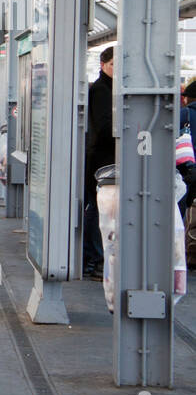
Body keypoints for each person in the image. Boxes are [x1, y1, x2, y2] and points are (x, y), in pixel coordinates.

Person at [83, 46, 114, 280]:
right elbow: (103, 127)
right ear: (103, 65)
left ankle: (92, 259)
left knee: (97, 208)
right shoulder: (102, 90)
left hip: (101, 158)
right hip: (101, 160)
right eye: (114, 64)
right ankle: (93, 260)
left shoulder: (107, 88)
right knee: (97, 208)